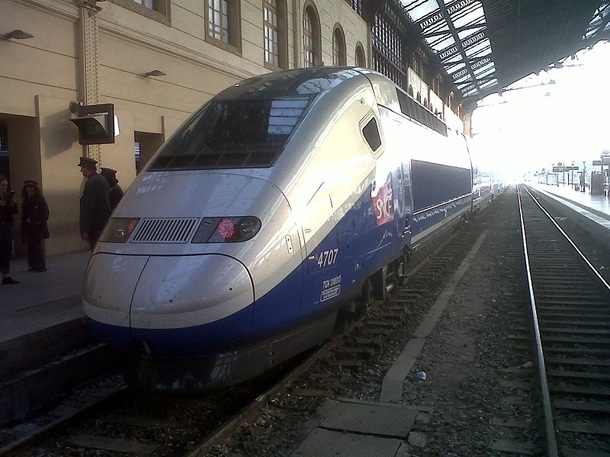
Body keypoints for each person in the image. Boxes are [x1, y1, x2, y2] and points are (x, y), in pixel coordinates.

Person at [78, 157, 111, 250]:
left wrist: (85, 229)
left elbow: (89, 207)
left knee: (95, 249)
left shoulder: (91, 182)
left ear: (86, 167)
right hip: (103, 223)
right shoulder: (102, 179)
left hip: (94, 226)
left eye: (82, 167)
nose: (81, 170)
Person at [21, 180, 50, 272]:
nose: (29, 190)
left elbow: (45, 212)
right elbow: (24, 214)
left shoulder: (39, 199)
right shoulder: (26, 200)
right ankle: (33, 265)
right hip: (29, 227)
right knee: (31, 246)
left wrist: (39, 222)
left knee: (38, 246)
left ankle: (41, 266)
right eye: (28, 188)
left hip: (38, 227)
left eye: (31, 188)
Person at [0, 174, 19, 285]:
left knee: (6, 250)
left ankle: (6, 276)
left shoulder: (8, 196)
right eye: (2, 185)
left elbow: (15, 211)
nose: (4, 187)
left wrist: (14, 204)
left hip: (6, 226)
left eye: (6, 185)